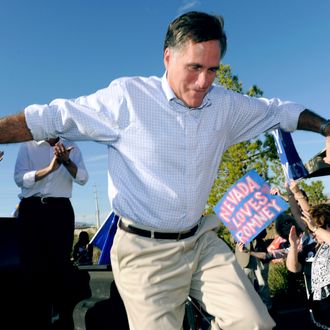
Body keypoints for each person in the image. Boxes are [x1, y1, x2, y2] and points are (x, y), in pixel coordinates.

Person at [0, 10, 330, 330]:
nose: (203, 82)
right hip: (145, 251)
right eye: (195, 67)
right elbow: (48, 118)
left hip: (199, 240)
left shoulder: (225, 106)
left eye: (213, 70)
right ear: (168, 57)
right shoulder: (127, 99)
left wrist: (326, 128)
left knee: (252, 322)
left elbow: (281, 111)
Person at [14, 137, 89, 330]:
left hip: (60, 211)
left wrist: (66, 161)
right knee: (31, 270)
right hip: (31, 210)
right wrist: (50, 169)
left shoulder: (72, 147)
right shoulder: (28, 146)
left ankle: (59, 324)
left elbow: (82, 178)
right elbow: (19, 179)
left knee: (60, 269)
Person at [286, 204, 330, 327]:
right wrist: (293, 245)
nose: (313, 234)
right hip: (319, 308)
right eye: (311, 231)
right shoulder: (310, 248)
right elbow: (293, 268)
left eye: (315, 229)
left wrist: (315, 228)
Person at [235, 229, 274, 312]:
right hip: (244, 256)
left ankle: (267, 309)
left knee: (262, 283)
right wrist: (239, 237)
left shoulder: (254, 219)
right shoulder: (234, 222)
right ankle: (251, 310)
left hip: (259, 254)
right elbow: (233, 239)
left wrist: (251, 232)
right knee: (246, 283)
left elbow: (264, 233)